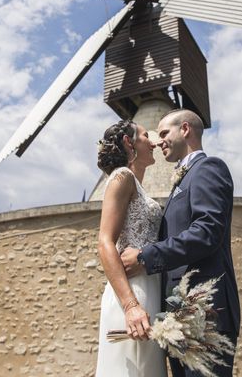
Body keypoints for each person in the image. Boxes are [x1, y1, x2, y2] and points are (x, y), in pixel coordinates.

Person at [121, 109, 241, 377]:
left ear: (185, 129)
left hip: (206, 313)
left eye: (164, 133)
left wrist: (144, 257)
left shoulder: (208, 168)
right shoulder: (184, 178)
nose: (157, 141)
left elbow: (206, 232)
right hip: (178, 315)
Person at [95, 119, 167, 377]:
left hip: (150, 285)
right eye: (147, 136)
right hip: (133, 292)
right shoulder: (122, 176)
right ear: (129, 142)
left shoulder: (137, 185)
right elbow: (105, 241)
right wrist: (131, 306)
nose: (154, 142)